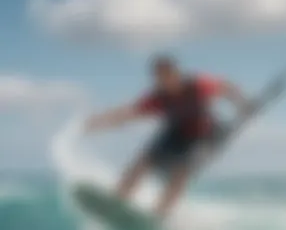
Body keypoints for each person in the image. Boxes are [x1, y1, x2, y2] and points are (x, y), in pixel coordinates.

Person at [85, 55, 249, 219]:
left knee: (181, 173)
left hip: (203, 135)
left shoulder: (199, 86)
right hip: (175, 134)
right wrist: (99, 121)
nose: (164, 81)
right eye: (159, 77)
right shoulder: (158, 98)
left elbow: (226, 87)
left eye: (166, 75)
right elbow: (129, 113)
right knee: (141, 163)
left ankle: (159, 216)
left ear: (176, 73)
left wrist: (242, 104)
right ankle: (116, 202)